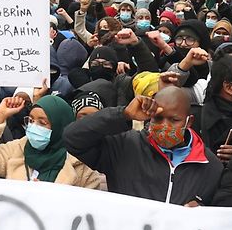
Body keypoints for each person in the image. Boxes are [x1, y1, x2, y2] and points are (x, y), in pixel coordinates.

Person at [64, 86, 222, 205]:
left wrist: (202, 208)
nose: (165, 126)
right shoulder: (125, 147)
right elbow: (73, 138)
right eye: (158, 119)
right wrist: (123, 114)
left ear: (190, 122)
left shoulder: (210, 165)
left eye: (174, 120)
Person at [0, 93, 105, 187]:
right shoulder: (18, 150)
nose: (33, 127)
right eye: (31, 120)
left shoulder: (81, 167)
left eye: (42, 123)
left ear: (60, 127)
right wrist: (0, 115)